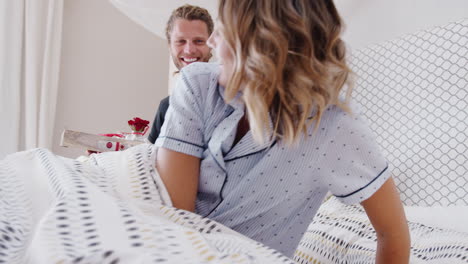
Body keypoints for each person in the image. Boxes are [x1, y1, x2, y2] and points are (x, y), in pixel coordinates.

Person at [154, 0, 411, 262]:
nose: (212, 41)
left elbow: (392, 232)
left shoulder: (333, 127)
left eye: (224, 28)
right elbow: (172, 220)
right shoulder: (197, 84)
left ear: (260, 43)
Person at [147, 4, 214, 144]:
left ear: (212, 44)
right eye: (181, 41)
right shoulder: (166, 106)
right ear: (170, 45)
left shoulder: (229, 102)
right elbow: (151, 159)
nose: (189, 50)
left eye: (199, 41)